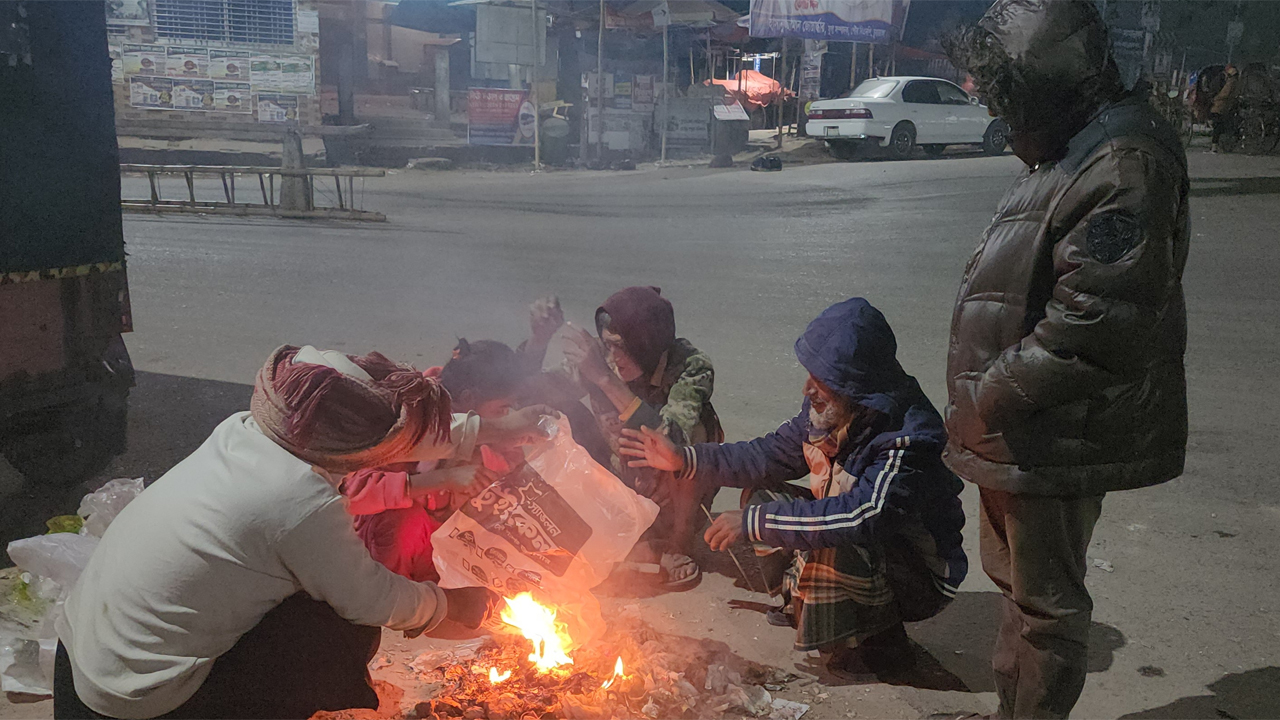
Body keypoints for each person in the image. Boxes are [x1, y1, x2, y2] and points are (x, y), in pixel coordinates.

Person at [52, 345, 553, 720]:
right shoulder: (297, 501)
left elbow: (386, 433)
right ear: (350, 447)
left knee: (310, 594)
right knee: (340, 626)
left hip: (78, 667)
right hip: (137, 702)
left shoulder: (245, 432)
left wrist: (498, 428)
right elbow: (374, 600)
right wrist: (457, 606)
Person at [942, 1, 1188, 717]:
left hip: (1051, 432)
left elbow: (1096, 327)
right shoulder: (1069, 144)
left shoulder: (1121, 162)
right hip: (1015, 434)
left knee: (1045, 609)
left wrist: (989, 392)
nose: (998, 113)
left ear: (1045, 81)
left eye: (1005, 95)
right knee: (1019, 599)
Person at [619, 298, 966, 676]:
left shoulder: (907, 437)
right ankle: (805, 606)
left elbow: (861, 515)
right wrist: (684, 459)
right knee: (762, 494)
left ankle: (882, 646)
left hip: (918, 574)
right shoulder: (831, 412)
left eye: (822, 381)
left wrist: (754, 523)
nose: (808, 388)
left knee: (824, 535)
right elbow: (765, 455)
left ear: (857, 386)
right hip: (870, 541)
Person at [527, 287, 722, 591]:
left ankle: (676, 544)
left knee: (696, 435)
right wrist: (539, 340)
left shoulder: (690, 366)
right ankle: (607, 534)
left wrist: (606, 380)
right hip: (620, 475)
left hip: (670, 488)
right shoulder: (602, 359)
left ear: (648, 343)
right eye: (608, 346)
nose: (614, 358)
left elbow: (673, 438)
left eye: (622, 347)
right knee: (558, 414)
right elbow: (527, 394)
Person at [341, 339, 526, 583]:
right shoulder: (404, 416)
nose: (506, 418)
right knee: (406, 522)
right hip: (386, 555)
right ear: (468, 398)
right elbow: (350, 493)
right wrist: (444, 479)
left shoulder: (490, 436)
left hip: (442, 548)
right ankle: (396, 607)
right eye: (502, 409)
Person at [1210, 64, 1239, 152]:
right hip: (1227, 105)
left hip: (1221, 105)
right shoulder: (1236, 81)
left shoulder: (1231, 82)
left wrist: (1215, 98)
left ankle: (1214, 146)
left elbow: (1225, 93)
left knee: (1217, 125)